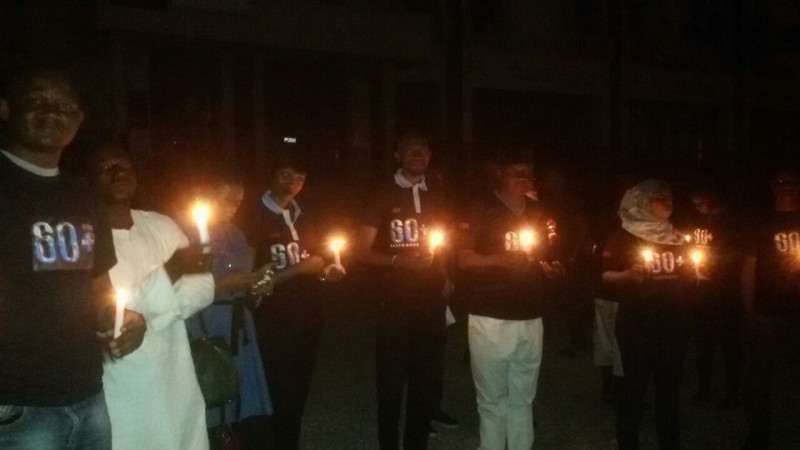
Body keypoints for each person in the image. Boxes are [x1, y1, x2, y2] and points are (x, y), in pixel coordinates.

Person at [0, 66, 144, 449]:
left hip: (87, 397)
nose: (53, 112)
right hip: (15, 408)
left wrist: (125, 320)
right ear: (5, 109)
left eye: (66, 106)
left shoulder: (83, 196)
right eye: (37, 102)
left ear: (78, 121)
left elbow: (99, 290)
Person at [89, 143, 214, 450]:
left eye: (124, 166)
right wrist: (169, 276)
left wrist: (147, 312)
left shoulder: (160, 224)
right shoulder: (87, 236)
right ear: (90, 179)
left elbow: (204, 284)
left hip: (176, 374)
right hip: (126, 383)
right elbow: (108, 311)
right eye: (106, 168)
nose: (118, 173)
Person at [456, 149, 564, 450]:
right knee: (492, 399)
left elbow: (541, 255)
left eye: (528, 171)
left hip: (530, 315)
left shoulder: (537, 212)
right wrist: (501, 261)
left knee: (523, 397)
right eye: (517, 171)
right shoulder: (480, 209)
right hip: (491, 315)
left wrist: (549, 267)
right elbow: (464, 259)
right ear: (499, 174)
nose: (524, 177)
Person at [356, 132, 451, 450]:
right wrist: (399, 261)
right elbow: (361, 250)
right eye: (410, 149)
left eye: (423, 148)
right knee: (392, 384)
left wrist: (446, 274)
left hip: (431, 302)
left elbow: (444, 241)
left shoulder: (436, 192)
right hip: (394, 302)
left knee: (425, 383)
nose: (418, 153)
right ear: (397, 155)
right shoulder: (383, 192)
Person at [247, 149, 346, 450]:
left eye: (300, 177)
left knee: (299, 393)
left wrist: (326, 272)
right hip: (273, 324)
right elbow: (251, 283)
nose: (293, 182)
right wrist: (298, 270)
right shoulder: (253, 218)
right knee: (278, 394)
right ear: (272, 175)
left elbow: (311, 260)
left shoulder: (304, 214)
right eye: (286, 174)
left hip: (308, 319)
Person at [603, 179, 694, 450]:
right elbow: (605, 277)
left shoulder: (677, 237)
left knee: (669, 390)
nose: (668, 201)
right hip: (638, 325)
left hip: (674, 324)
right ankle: (627, 442)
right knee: (634, 387)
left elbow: (688, 273)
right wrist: (627, 275)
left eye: (669, 196)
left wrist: (697, 275)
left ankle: (669, 441)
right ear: (641, 201)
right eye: (659, 197)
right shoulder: (624, 236)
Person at [187, 173, 274, 449]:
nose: (232, 207)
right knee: (210, 389)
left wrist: (257, 289)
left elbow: (246, 282)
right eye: (225, 200)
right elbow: (177, 293)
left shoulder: (235, 233)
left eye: (238, 202)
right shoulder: (183, 234)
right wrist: (223, 286)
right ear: (203, 197)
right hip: (206, 324)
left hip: (238, 324)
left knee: (237, 396)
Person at [741, 170, 800, 449]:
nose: (786, 187)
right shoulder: (761, 222)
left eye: (791, 182)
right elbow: (749, 267)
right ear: (772, 188)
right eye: (780, 182)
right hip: (768, 309)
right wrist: (749, 309)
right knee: (760, 376)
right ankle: (758, 434)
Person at [679, 185, 743, 407]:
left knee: (730, 346)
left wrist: (718, 262)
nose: (698, 206)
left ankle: (733, 392)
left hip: (726, 294)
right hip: (701, 294)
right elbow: (688, 246)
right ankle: (704, 389)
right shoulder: (696, 222)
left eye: (701, 201)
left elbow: (741, 253)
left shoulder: (731, 221)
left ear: (713, 195)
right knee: (702, 344)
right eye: (695, 204)